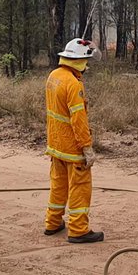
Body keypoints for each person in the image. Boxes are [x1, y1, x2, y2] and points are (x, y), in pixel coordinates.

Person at [44, 38, 103, 243]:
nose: (87, 67)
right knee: (80, 187)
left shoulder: (54, 76)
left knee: (58, 185)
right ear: (79, 62)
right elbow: (78, 119)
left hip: (55, 145)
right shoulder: (73, 83)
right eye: (86, 62)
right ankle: (78, 229)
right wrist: (86, 147)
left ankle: (52, 222)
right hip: (72, 148)